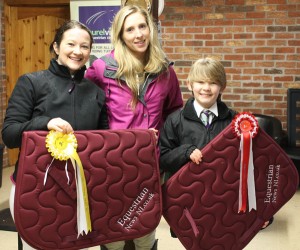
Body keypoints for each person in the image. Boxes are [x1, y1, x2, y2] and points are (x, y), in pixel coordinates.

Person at [1, 20, 108, 250]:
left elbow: (103, 143)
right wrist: (45, 123)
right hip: (33, 188)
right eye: (71, 44)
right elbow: (9, 134)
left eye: (85, 46)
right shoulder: (31, 83)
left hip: (80, 194)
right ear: (57, 47)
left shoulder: (97, 93)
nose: (78, 52)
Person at [85, 5, 183, 250]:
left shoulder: (165, 70)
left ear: (150, 29)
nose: (138, 34)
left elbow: (173, 112)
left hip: (151, 164)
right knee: (113, 235)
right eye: (130, 29)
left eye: (142, 26)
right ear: (120, 35)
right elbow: (87, 106)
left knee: (144, 230)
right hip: (113, 164)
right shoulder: (101, 68)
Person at [159, 57, 273, 237]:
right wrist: (185, 151)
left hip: (225, 202)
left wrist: (262, 212)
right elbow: (162, 158)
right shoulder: (175, 120)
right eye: (200, 82)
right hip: (190, 202)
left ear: (222, 87)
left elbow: (254, 168)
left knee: (223, 239)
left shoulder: (235, 121)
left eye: (213, 83)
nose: (206, 87)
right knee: (195, 241)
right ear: (189, 84)